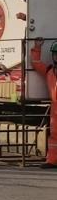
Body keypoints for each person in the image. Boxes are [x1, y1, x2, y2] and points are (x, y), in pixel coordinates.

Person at [31, 38, 57, 169]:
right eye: (55, 54)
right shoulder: (49, 71)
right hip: (55, 108)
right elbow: (36, 63)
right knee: (54, 136)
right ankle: (52, 160)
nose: (56, 57)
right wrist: (37, 47)